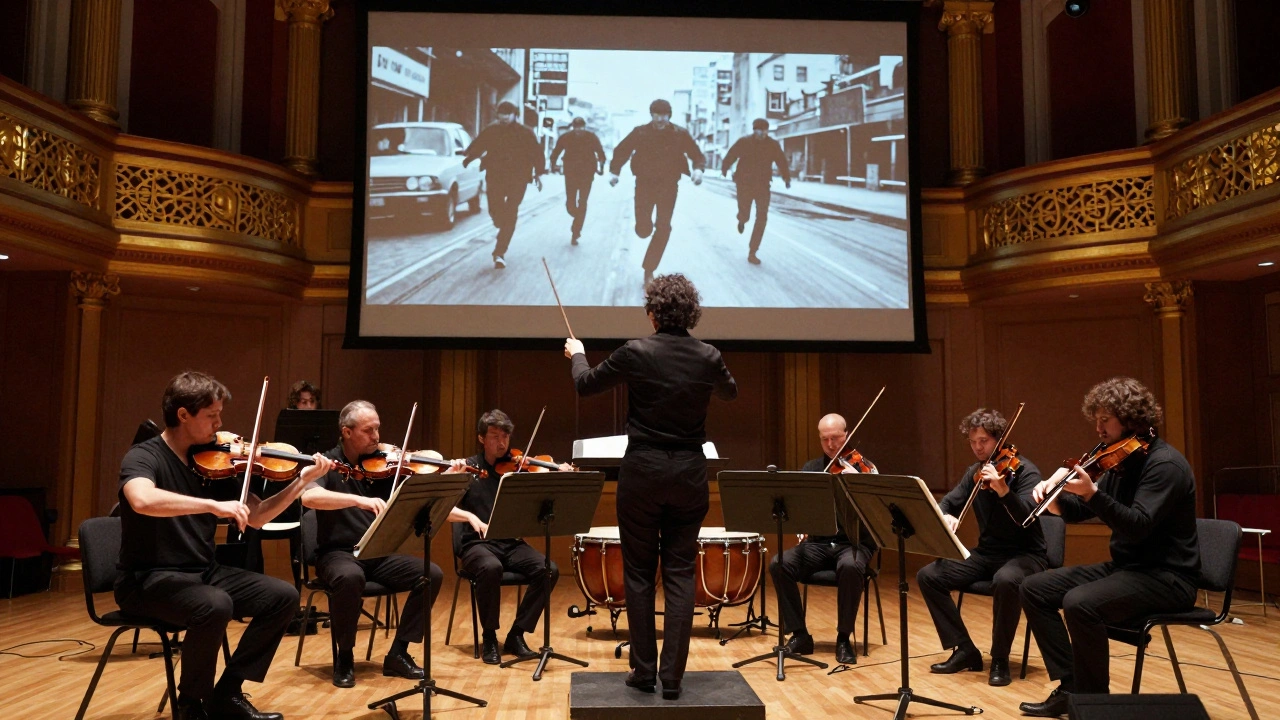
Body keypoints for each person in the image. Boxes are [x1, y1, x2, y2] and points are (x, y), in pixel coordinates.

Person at [115, 371, 334, 720]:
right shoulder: (144, 456)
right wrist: (211, 506)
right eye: (212, 415)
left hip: (202, 573)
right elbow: (142, 500)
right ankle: (191, 704)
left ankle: (228, 692)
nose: (220, 422)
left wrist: (301, 482)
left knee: (283, 597)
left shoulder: (214, 461)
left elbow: (259, 516)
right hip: (148, 579)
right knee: (215, 605)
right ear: (183, 415)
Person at [564, 273, 737, 699]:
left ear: (653, 312)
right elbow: (730, 393)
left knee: (639, 574)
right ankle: (673, 679)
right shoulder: (708, 355)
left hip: (642, 473)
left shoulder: (636, 352)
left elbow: (585, 385)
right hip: (690, 475)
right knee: (680, 574)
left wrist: (578, 354)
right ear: (691, 312)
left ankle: (643, 673)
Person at [1019, 377, 1200, 717]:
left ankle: (1093, 704)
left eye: (1106, 419)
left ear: (1130, 418)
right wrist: (1055, 499)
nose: (1098, 426)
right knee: (1033, 587)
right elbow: (1082, 511)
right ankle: (1072, 686)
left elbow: (1137, 526)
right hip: (1128, 569)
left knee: (1080, 603)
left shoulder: (1165, 465)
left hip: (1168, 577)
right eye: (1096, 418)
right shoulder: (1117, 460)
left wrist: (1092, 493)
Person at [299, 400, 480, 688]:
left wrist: (456, 496)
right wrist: (357, 499)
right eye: (368, 431)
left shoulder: (385, 465)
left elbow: (421, 503)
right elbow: (309, 498)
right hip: (338, 554)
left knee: (430, 574)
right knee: (350, 577)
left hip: (378, 553)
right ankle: (344, 656)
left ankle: (399, 653)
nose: (376, 437)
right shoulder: (325, 462)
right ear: (346, 432)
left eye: (378, 429)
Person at [915, 408, 1047, 687]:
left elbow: (1027, 515)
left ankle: (999, 659)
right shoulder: (975, 474)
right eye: (973, 441)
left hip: (1026, 554)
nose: (977, 447)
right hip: (988, 552)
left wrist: (1004, 492)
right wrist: (946, 515)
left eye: (984, 441)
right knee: (929, 575)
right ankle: (964, 649)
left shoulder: (1024, 471)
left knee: (1006, 579)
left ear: (999, 439)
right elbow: (947, 503)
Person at [455, 409, 566, 665]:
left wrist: (560, 471)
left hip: (510, 542)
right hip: (476, 545)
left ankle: (517, 634)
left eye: (505, 436)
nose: (502, 442)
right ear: (482, 438)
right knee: (490, 567)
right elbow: (446, 507)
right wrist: (469, 516)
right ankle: (490, 637)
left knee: (548, 569)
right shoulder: (468, 468)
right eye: (494, 436)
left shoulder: (518, 469)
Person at [771, 413, 877, 665]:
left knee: (851, 567)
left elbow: (876, 514)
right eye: (824, 439)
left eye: (836, 438)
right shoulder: (811, 469)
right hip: (818, 543)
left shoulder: (864, 468)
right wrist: (801, 523)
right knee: (779, 563)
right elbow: (801, 508)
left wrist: (862, 486)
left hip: (853, 543)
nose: (830, 445)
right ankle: (800, 634)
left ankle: (843, 638)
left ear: (847, 435)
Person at [609, 99, 706, 286]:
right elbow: (622, 150)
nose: (660, 119)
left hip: (669, 186)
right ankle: (643, 227)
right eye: (656, 114)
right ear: (651, 115)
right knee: (643, 230)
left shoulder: (680, 134)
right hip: (644, 185)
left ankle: (649, 269)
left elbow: (696, 154)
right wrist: (615, 172)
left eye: (664, 115)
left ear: (669, 116)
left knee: (664, 227)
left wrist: (698, 169)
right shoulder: (640, 132)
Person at [462, 101, 544, 269]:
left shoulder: (525, 133)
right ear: (497, 115)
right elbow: (479, 145)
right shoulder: (492, 130)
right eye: (502, 113)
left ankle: (499, 252)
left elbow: (537, 154)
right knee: (495, 209)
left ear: (515, 115)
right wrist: (469, 158)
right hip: (495, 175)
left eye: (508, 113)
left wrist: (538, 174)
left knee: (511, 211)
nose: (505, 117)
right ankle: (500, 222)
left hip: (518, 178)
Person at [721, 118, 791, 265]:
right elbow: (731, 154)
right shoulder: (744, 142)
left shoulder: (772, 145)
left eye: (764, 130)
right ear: (754, 130)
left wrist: (786, 177)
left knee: (762, 216)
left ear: (767, 131)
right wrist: (725, 168)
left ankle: (753, 251)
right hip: (744, 183)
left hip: (763, 185)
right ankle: (742, 219)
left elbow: (781, 161)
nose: (762, 133)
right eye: (758, 130)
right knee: (745, 212)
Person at [550, 116, 606, 245]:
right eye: (576, 127)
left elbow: (600, 153)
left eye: (581, 127)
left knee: (582, 201)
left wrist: (601, 167)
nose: (578, 129)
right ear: (573, 127)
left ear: (584, 127)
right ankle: (578, 216)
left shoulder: (591, 137)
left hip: (587, 174)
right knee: (570, 203)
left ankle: (576, 230)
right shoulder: (566, 137)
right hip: (571, 174)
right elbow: (556, 151)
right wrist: (553, 164)